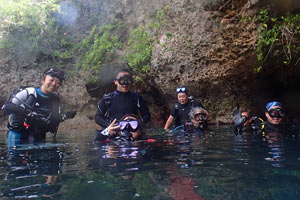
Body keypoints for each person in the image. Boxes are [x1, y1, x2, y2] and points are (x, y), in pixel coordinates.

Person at [2, 67, 77, 147]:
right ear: (43, 80)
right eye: (51, 80)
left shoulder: (55, 99)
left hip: (39, 136)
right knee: (15, 158)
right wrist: (28, 114)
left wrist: (66, 116)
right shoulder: (29, 93)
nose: (54, 84)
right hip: (18, 134)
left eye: (58, 82)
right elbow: (6, 107)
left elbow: (54, 119)